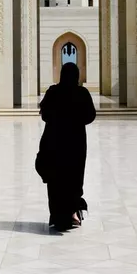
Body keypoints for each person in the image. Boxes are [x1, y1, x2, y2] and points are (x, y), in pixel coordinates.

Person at [36, 62, 97, 231]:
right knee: (73, 178)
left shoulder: (53, 92)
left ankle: (57, 216)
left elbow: (45, 115)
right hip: (75, 144)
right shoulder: (82, 93)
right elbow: (90, 116)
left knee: (56, 180)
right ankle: (73, 213)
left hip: (54, 142)